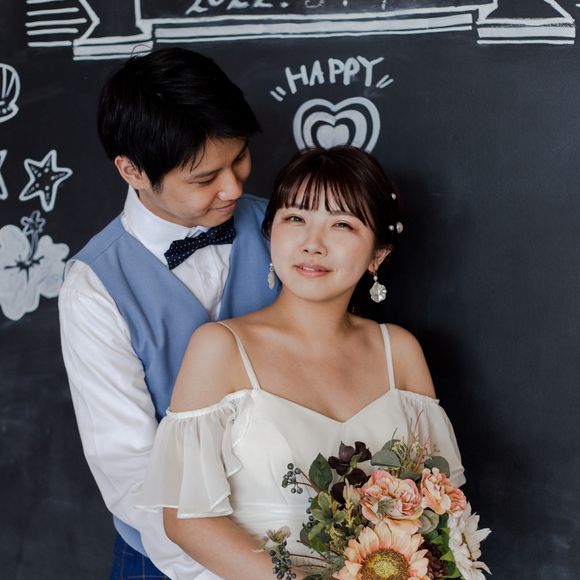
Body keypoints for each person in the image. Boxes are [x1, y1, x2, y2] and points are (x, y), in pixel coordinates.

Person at [137, 146, 465, 579]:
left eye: (342, 225)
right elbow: (187, 521)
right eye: (295, 218)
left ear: (377, 255)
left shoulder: (399, 351)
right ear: (270, 232)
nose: (313, 243)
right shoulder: (219, 348)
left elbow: (439, 511)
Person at [58, 48, 277, 579]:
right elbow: (130, 470)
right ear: (132, 170)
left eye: (240, 158)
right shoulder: (93, 288)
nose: (234, 187)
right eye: (205, 178)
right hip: (168, 559)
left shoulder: (285, 227)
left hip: (296, 531)